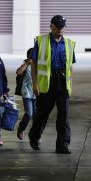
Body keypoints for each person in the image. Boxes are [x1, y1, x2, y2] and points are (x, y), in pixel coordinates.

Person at [28, 15, 76, 154]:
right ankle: (34, 137)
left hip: (62, 84)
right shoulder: (41, 41)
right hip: (46, 83)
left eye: (62, 26)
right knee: (42, 114)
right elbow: (34, 63)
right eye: (57, 26)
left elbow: (70, 66)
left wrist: (69, 83)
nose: (60, 29)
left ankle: (63, 145)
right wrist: (35, 83)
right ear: (51, 26)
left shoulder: (69, 43)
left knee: (63, 116)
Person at [16, 48, 36, 140]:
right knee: (29, 113)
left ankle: (36, 135)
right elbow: (18, 72)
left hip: (38, 93)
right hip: (27, 93)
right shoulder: (25, 65)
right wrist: (27, 63)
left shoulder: (40, 65)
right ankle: (21, 128)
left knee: (36, 115)